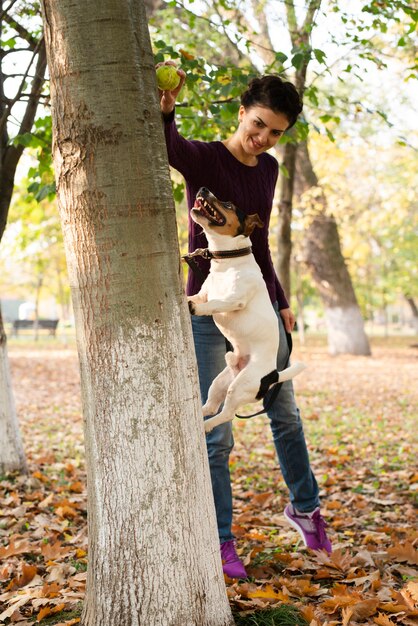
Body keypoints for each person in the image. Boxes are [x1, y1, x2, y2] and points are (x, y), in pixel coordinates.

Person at [158, 63, 332, 578]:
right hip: (208, 306)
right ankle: (220, 541)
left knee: (286, 414)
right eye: (258, 124)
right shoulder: (208, 159)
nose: (262, 139)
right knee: (218, 434)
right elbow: (172, 150)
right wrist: (167, 108)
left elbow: (259, 244)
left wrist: (278, 301)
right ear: (242, 113)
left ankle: (304, 509)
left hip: (257, 307)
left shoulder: (271, 170)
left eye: (275, 132)